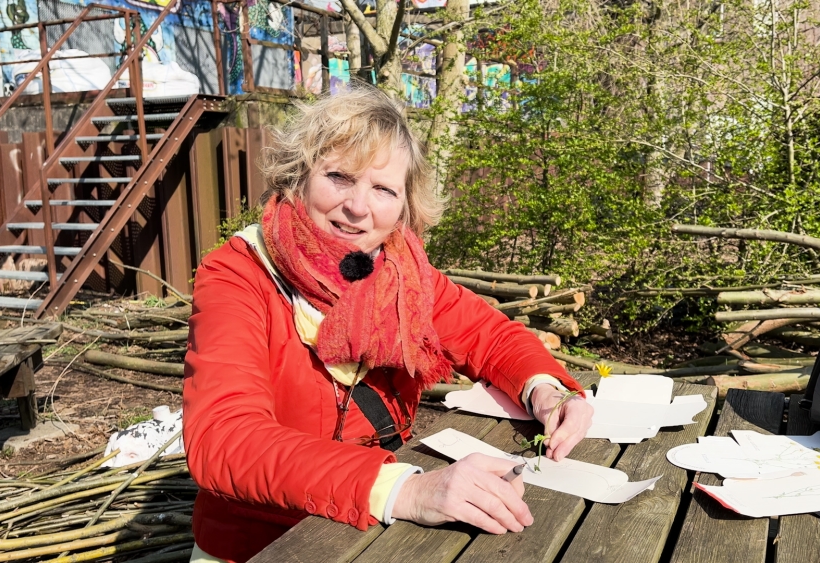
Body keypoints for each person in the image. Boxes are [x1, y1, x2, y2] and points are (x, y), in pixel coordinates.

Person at [182, 85, 594, 563]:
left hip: (374, 536)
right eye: (338, 177)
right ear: (298, 177)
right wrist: (408, 490)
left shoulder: (402, 275)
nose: (358, 207)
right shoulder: (239, 275)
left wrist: (548, 390)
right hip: (261, 545)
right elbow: (226, 440)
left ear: (404, 205)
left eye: (382, 189)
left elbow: (491, 335)